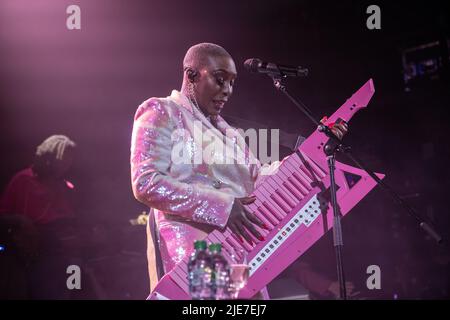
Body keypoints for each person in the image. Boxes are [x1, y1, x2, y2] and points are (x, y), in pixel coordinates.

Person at [130, 43, 348, 297]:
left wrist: (315, 149)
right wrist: (222, 205)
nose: (227, 91)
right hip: (194, 254)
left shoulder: (230, 134)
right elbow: (146, 183)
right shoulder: (161, 111)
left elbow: (260, 178)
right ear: (191, 76)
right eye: (220, 80)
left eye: (232, 83)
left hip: (240, 255)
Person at [0, 134, 80, 299]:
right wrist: (20, 221)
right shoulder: (23, 180)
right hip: (31, 254)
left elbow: (73, 220)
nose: (67, 165)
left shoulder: (66, 187)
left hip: (63, 255)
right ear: (50, 157)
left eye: (70, 160)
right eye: (64, 159)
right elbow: (3, 216)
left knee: (72, 287)